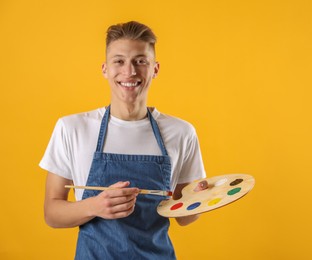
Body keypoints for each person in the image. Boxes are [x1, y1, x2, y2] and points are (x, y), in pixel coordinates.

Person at [40, 21, 206, 259]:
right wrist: (94, 206)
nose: (129, 72)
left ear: (155, 69)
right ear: (105, 69)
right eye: (119, 61)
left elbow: (185, 217)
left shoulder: (182, 132)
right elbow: (51, 214)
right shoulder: (72, 128)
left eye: (140, 61)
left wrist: (200, 200)